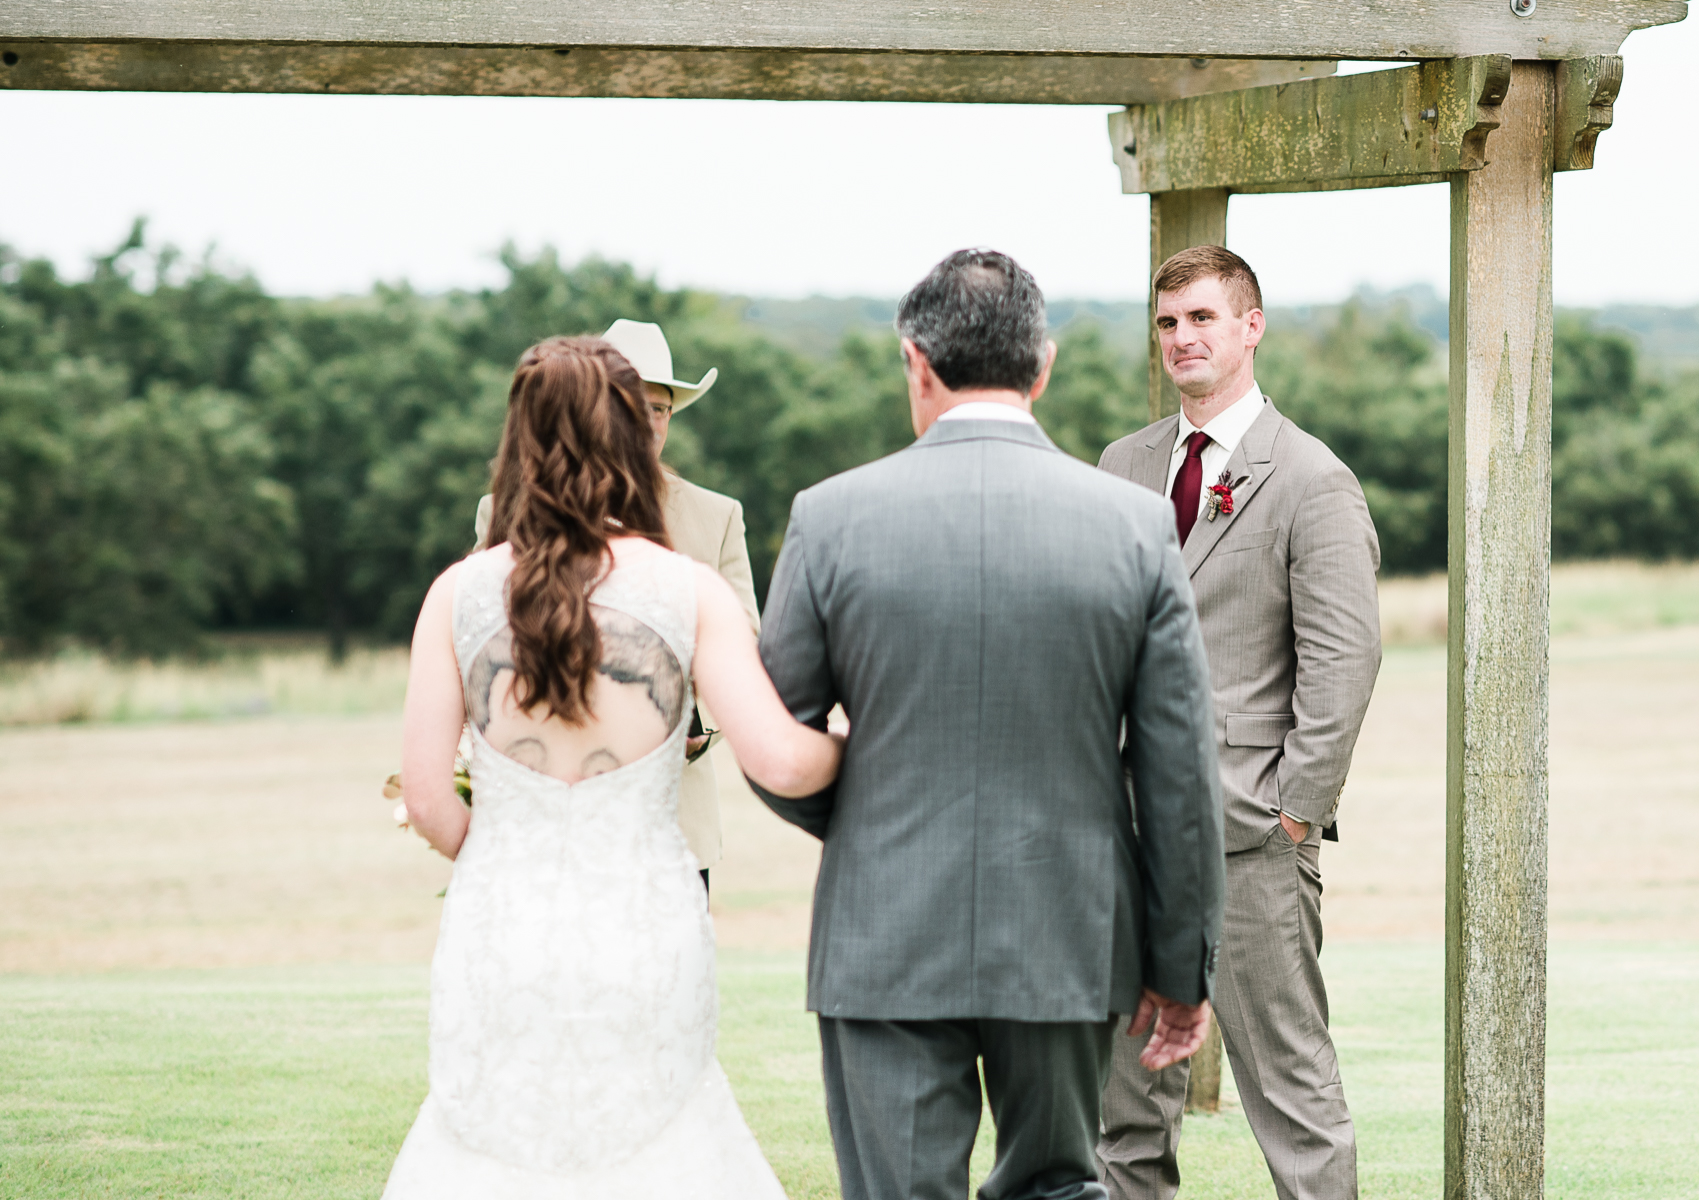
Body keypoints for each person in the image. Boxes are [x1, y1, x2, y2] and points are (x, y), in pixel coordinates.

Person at [751, 249, 1226, 1200]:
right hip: (1067, 929)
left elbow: (776, 743)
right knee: (1055, 1186)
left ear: (915, 363)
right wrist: (1180, 968)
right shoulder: (1135, 527)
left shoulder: (828, 517)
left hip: (881, 932)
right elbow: (1179, 776)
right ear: (1042, 365)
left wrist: (870, 812)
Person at [384, 336, 841, 1197]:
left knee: (492, 1138)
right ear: (629, 437)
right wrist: (855, 738)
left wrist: (518, 848)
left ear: (520, 438)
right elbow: (781, 760)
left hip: (499, 925)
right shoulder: (684, 587)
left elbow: (427, 801)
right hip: (646, 924)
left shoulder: (458, 591)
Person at [1095, 245, 1382, 1200]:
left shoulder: (1311, 478)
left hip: (1251, 837)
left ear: (1250, 326)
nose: (1182, 338)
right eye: (1168, 322)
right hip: (1128, 832)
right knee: (1126, 1102)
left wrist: (1290, 813)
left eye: (1203, 319)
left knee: (1292, 1092)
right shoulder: (1122, 465)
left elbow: (1345, 661)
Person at [474, 318, 759, 889]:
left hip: (673, 818)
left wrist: (693, 723)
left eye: (661, 408)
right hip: (546, 808)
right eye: (632, 405)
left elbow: (745, 644)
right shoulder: (503, 513)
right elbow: (485, 646)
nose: (649, 423)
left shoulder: (716, 515)